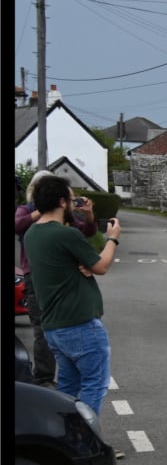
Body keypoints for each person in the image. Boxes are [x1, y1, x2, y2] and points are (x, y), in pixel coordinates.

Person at [22, 174, 120, 414]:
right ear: (61, 202)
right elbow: (101, 266)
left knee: (67, 387)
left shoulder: (31, 235)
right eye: (71, 198)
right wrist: (112, 239)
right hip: (80, 324)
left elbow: (64, 264)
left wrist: (83, 264)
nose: (73, 203)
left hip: (54, 326)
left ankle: (66, 440)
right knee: (94, 384)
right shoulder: (65, 234)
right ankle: (87, 443)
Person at [14, 170, 61, 385]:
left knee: (61, 327)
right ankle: (44, 377)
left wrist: (87, 215)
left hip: (58, 276)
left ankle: (61, 375)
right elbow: (17, 225)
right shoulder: (27, 210)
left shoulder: (59, 211)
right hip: (34, 275)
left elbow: (83, 229)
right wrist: (37, 212)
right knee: (41, 328)